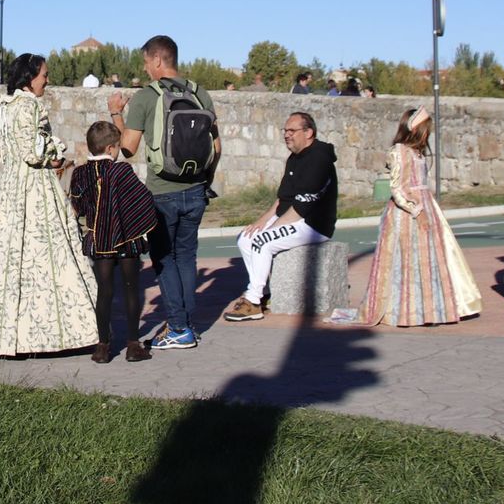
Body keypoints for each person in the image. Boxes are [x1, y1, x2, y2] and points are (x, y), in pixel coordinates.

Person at [0, 54, 98, 356]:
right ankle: (48, 334)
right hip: (34, 187)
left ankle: (1, 335)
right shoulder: (31, 105)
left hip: (10, 187)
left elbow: (7, 151)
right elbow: (35, 153)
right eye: (44, 75)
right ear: (29, 77)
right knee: (46, 253)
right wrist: (56, 154)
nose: (47, 80)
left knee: (9, 259)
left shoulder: (4, 107)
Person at [109, 35, 219, 351]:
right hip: (197, 190)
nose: (145, 69)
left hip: (162, 193)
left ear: (157, 60)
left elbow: (126, 149)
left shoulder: (147, 97)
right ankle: (186, 323)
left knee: (162, 258)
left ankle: (180, 329)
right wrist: (204, 180)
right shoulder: (200, 94)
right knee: (186, 256)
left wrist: (116, 112)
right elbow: (217, 146)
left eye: (146, 62)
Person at [359, 107, 482, 326]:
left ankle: (431, 309)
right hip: (407, 213)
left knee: (428, 260)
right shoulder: (399, 151)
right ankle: (406, 311)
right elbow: (397, 188)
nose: (428, 134)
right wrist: (417, 210)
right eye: (425, 129)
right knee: (407, 259)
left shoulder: (417, 152)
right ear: (415, 129)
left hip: (426, 205)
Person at [223, 112, 337, 322]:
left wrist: (271, 229)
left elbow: (302, 207)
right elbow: (283, 200)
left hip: (314, 225)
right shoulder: (294, 159)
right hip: (296, 217)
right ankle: (263, 293)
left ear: (308, 132)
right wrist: (261, 221)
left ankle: (253, 301)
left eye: (292, 131)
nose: (286, 135)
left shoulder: (319, 159)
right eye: (285, 131)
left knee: (262, 241)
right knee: (246, 238)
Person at [68, 121, 156, 363]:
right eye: (117, 147)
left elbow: (78, 205)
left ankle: (102, 347)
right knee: (130, 289)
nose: (118, 151)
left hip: (98, 238)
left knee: (104, 292)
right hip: (126, 238)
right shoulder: (122, 171)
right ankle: (133, 345)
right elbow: (142, 199)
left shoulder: (79, 173)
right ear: (110, 148)